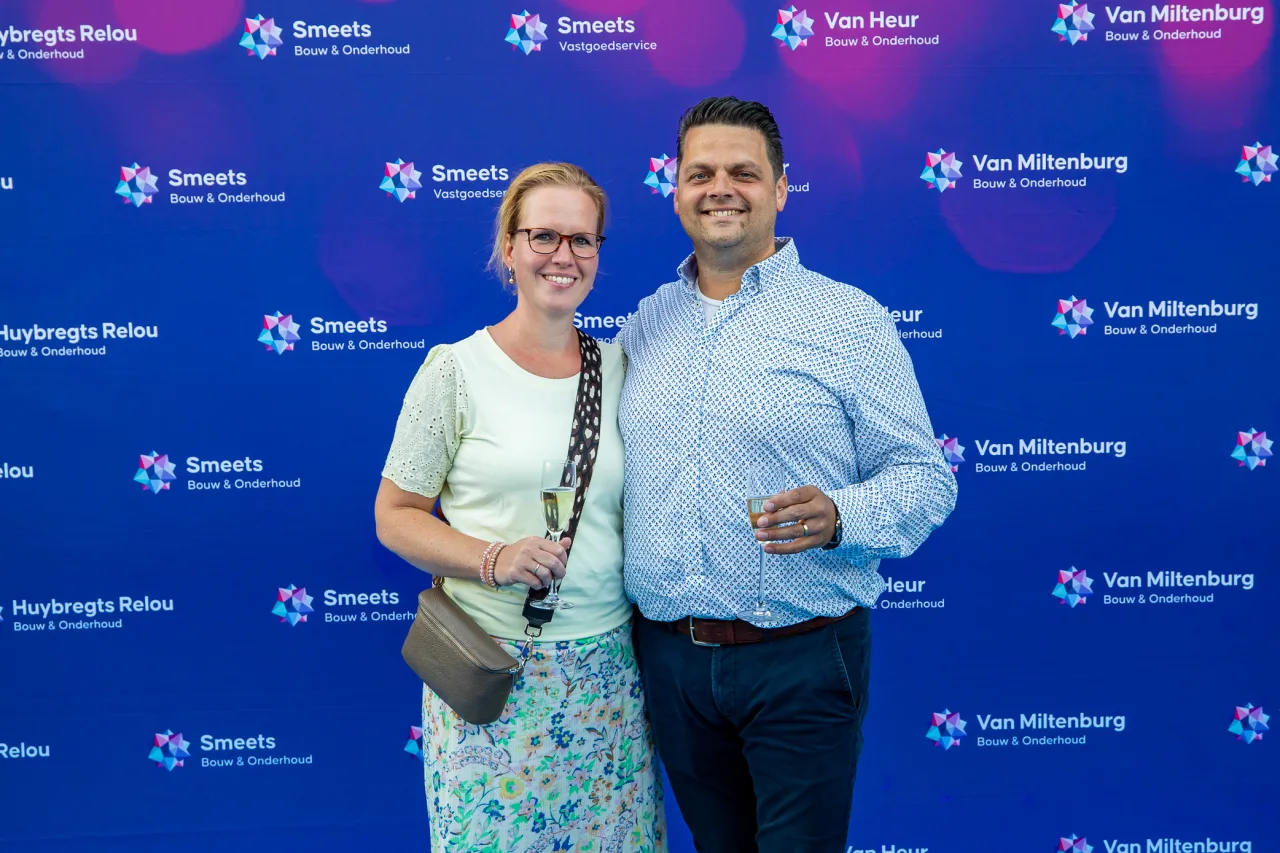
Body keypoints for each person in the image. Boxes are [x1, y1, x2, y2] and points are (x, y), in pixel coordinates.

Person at [616, 97, 958, 853]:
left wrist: (841, 515)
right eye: (700, 173)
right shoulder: (645, 325)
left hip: (802, 658)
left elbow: (925, 477)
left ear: (779, 188)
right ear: (675, 191)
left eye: (742, 172)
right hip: (669, 662)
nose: (720, 188)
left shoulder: (848, 319)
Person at [375, 162, 666, 853]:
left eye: (582, 239)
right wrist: (494, 558)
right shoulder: (456, 371)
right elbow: (395, 514)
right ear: (509, 248)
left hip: (608, 678)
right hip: (490, 673)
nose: (564, 255)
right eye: (544, 236)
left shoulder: (624, 369)